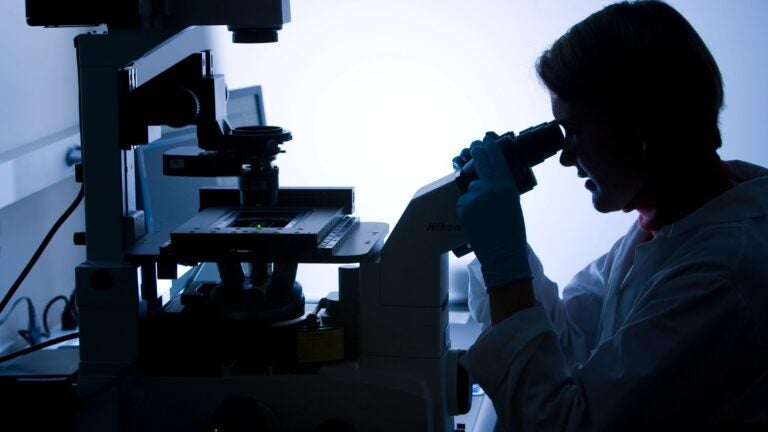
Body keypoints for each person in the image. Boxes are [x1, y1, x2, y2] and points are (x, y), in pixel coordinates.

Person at [455, 1, 768, 430]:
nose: (566, 158)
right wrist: (496, 241)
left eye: (574, 130)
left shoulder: (721, 274)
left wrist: (505, 267)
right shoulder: (671, 222)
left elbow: (564, 423)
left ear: (642, 124)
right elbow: (573, 346)